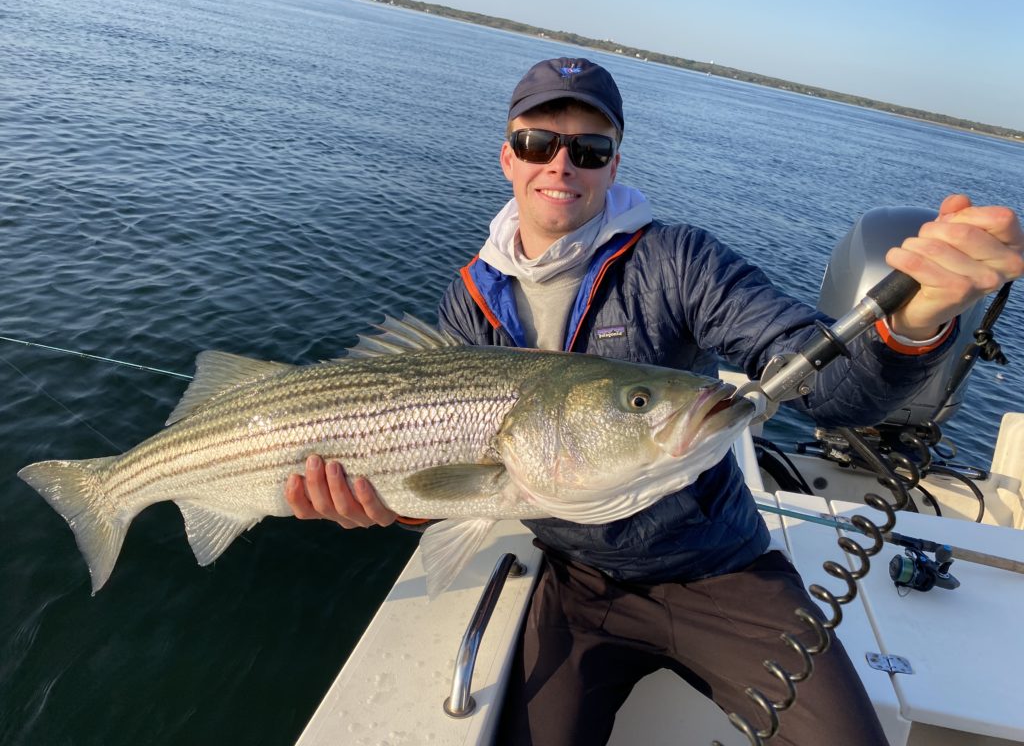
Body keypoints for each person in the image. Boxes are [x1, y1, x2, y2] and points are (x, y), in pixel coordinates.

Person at [285, 58, 1024, 745]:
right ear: (508, 156)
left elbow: (827, 388)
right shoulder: (471, 301)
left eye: (590, 149)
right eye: (538, 141)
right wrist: (385, 504)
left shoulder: (676, 262)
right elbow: (445, 480)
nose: (561, 164)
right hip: (573, 579)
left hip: (721, 570)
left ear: (614, 162)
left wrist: (912, 323)